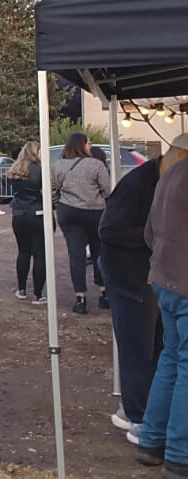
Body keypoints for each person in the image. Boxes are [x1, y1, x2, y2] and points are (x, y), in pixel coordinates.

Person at [101, 135, 184, 440]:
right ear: (177, 158)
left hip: (155, 277)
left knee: (159, 346)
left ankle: (139, 409)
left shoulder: (162, 179)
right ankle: (138, 417)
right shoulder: (138, 183)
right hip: (128, 276)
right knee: (138, 348)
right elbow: (109, 230)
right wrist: (158, 239)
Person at [136, 135, 188, 479]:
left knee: (171, 359)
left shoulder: (168, 174)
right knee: (183, 365)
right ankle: (180, 456)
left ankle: (152, 441)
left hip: (166, 280)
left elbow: (149, 233)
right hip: (184, 283)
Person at [52, 132, 112, 316]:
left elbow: (52, 190)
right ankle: (104, 293)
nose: (90, 145)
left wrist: (58, 205)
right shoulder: (96, 164)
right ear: (82, 145)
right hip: (94, 212)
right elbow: (107, 190)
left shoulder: (58, 165)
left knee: (76, 255)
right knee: (99, 251)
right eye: (89, 143)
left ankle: (80, 298)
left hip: (69, 212)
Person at [6, 143, 48, 305]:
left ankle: (22, 289)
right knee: (39, 254)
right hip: (37, 213)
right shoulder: (40, 169)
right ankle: (38, 294)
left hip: (19, 214)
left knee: (23, 252)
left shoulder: (14, 171)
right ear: (35, 152)